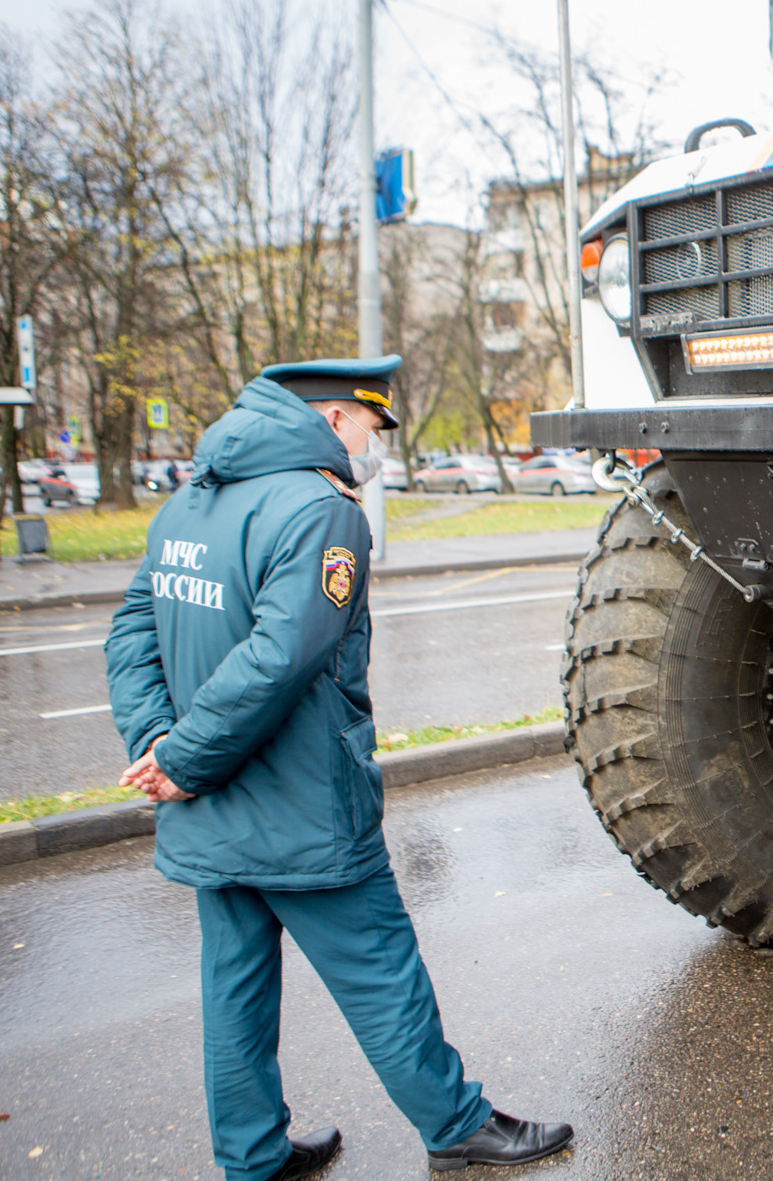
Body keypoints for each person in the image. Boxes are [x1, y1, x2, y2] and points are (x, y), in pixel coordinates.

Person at [104, 357, 573, 1181]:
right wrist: (178, 756)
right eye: (368, 427)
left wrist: (160, 746)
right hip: (303, 806)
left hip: (210, 803)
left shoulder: (190, 501)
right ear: (330, 419)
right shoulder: (321, 511)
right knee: (381, 967)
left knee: (234, 988)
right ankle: (457, 1125)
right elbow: (282, 658)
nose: (373, 447)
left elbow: (131, 632)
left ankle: (252, 1156)